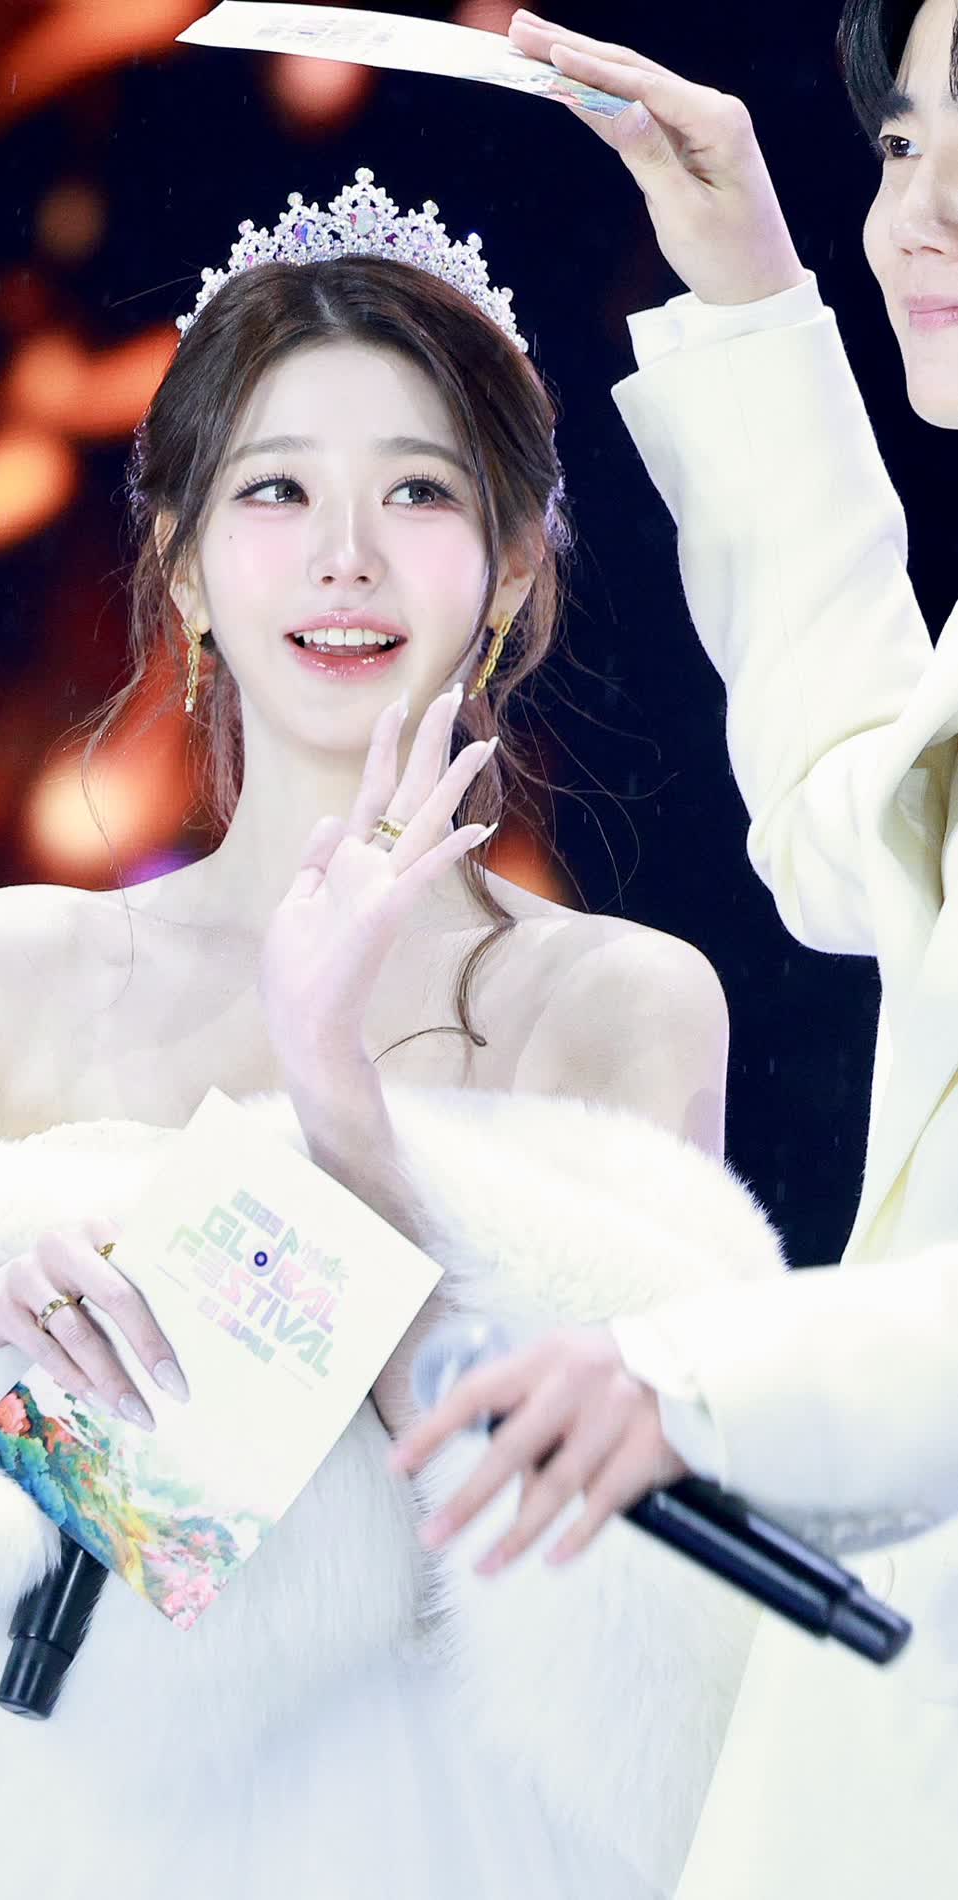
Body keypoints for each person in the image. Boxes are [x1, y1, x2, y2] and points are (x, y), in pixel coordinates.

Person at [0, 167, 789, 1900]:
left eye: (417, 490)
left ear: (512, 565)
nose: (344, 556)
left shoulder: (622, 1004)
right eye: (275, 489)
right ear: (184, 563)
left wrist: (337, 1095)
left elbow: (637, 1616)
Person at [394, 6, 958, 1896]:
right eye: (902, 143)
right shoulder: (6, 960)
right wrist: (745, 289)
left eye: (418, 490)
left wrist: (694, 1384)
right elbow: (853, 822)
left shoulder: (622, 1001)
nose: (921, 213)